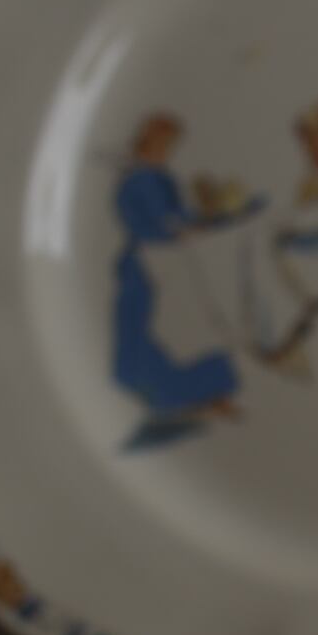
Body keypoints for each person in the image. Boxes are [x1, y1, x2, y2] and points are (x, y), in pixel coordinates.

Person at [109, 113, 245, 435]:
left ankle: (210, 395)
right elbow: (164, 220)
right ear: (150, 142)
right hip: (152, 261)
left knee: (199, 318)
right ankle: (172, 399)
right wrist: (192, 225)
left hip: (170, 257)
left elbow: (179, 215)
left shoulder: (157, 176)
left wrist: (209, 215)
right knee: (177, 324)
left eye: (170, 145)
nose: (168, 150)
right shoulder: (141, 180)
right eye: (165, 144)